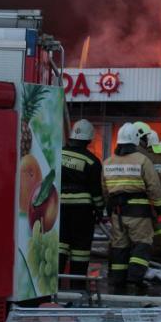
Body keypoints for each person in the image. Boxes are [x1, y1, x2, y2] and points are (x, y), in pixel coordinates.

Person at [102, 123, 161, 290]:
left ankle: (118, 279)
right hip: (139, 213)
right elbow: (154, 187)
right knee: (142, 244)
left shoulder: (108, 162)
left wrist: (108, 209)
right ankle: (134, 280)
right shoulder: (143, 160)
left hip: (117, 213)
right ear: (136, 140)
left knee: (119, 246)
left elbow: (105, 190)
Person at [58, 119, 104, 290]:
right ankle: (76, 289)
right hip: (82, 211)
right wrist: (100, 209)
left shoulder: (58, 154)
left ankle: (53, 286)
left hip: (59, 207)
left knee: (59, 245)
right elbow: (96, 191)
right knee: (80, 249)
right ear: (89, 140)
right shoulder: (92, 161)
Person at [134, 122, 161, 249]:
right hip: (158, 197)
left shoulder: (142, 157)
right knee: (158, 226)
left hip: (143, 198)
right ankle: (159, 249)